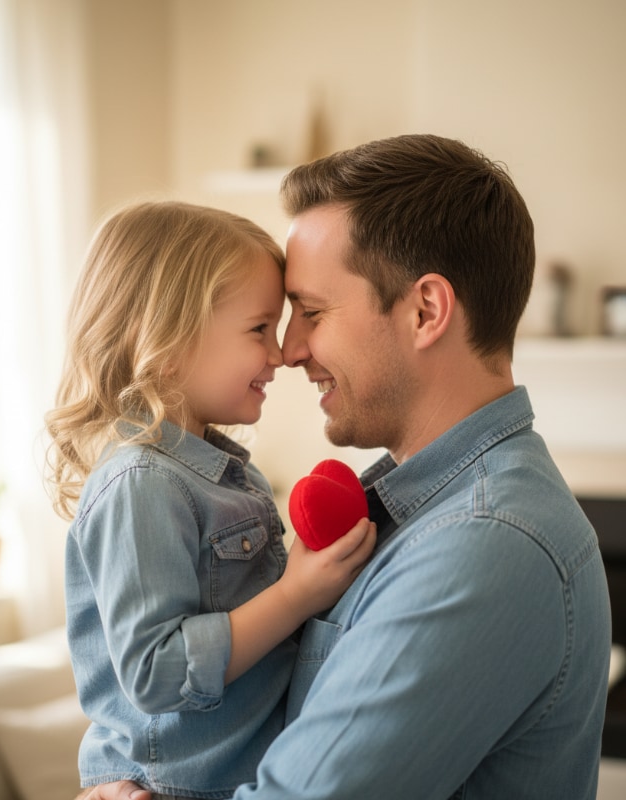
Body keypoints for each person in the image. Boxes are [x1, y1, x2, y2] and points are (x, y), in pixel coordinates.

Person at [76, 135, 612, 800]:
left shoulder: (485, 545)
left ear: (425, 311)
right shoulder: (420, 510)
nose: (290, 350)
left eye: (311, 312)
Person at [44, 201, 375, 799]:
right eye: (259, 329)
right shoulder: (141, 484)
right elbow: (157, 671)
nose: (279, 354)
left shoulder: (217, 476)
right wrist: (297, 593)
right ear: (168, 341)